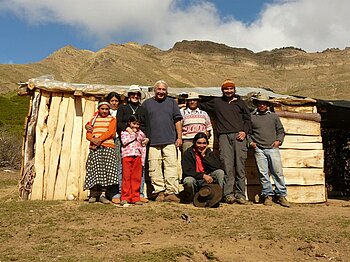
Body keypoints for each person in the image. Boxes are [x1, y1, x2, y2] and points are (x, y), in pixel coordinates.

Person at [199, 79, 252, 205]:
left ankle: (240, 194)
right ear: (222, 90)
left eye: (231, 89)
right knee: (227, 166)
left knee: (240, 166)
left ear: (234, 89)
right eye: (226, 89)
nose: (229, 91)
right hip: (223, 137)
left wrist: (244, 131)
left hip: (239, 136)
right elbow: (201, 105)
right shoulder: (217, 102)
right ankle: (228, 194)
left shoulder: (241, 102)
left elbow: (248, 119)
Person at [142, 80, 183, 202]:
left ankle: (171, 192)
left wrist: (179, 137)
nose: (161, 92)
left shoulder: (172, 103)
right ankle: (159, 192)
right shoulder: (147, 104)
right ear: (155, 90)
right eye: (159, 89)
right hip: (153, 141)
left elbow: (177, 121)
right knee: (154, 167)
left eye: (163, 89)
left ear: (166, 91)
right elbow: (142, 122)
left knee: (171, 166)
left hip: (170, 140)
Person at [248, 93, 290, 207]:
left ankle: (281, 195)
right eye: (260, 103)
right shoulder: (252, 117)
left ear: (267, 105)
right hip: (259, 149)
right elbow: (248, 133)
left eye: (264, 103)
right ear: (257, 104)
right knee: (263, 174)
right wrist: (251, 143)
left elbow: (281, 130)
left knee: (277, 172)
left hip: (272, 148)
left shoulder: (273, 116)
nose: (262, 105)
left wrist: (279, 141)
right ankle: (267, 195)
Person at [115, 85, 150, 204]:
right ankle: (123, 195)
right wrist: (127, 129)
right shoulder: (123, 108)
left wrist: (147, 138)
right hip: (126, 145)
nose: (135, 96)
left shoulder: (143, 109)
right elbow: (118, 123)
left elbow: (147, 125)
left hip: (140, 145)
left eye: (137, 95)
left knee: (138, 172)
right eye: (133, 94)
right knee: (124, 171)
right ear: (129, 96)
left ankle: (137, 195)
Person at [85, 92, 122, 202]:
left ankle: (103, 195)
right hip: (95, 148)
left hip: (107, 147)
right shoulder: (93, 119)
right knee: (95, 169)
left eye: (106, 109)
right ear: (99, 109)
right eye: (102, 109)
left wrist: (99, 140)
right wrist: (92, 140)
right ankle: (94, 194)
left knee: (106, 171)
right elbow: (88, 132)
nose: (104, 111)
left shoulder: (112, 119)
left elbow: (111, 132)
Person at [181, 132, 224, 203]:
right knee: (188, 181)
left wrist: (204, 156)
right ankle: (190, 199)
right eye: (199, 143)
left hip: (207, 178)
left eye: (204, 143)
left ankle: (218, 197)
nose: (201, 145)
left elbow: (217, 166)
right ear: (195, 143)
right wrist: (203, 175)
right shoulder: (188, 153)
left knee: (220, 173)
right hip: (194, 178)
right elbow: (187, 171)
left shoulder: (209, 153)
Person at [120, 115, 147, 206]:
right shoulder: (125, 132)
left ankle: (135, 197)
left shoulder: (141, 134)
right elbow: (124, 142)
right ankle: (125, 197)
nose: (135, 126)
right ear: (129, 123)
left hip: (138, 156)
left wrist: (142, 159)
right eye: (134, 123)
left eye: (137, 124)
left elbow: (143, 147)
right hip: (127, 156)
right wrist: (133, 134)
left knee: (136, 178)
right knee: (126, 177)